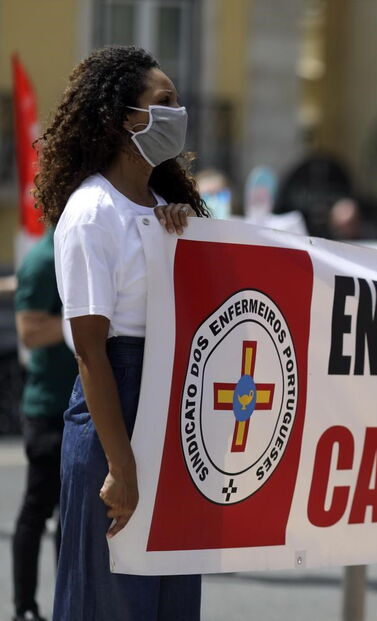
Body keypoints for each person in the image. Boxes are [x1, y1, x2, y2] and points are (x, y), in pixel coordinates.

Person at [32, 46, 209, 620]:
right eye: (164, 103)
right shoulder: (91, 213)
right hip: (119, 408)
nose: (177, 113)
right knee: (111, 603)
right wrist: (122, 467)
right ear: (121, 119)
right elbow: (90, 352)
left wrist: (181, 239)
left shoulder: (166, 208)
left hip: (172, 410)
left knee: (169, 600)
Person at [11, 230, 78, 621]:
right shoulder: (42, 259)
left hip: (77, 407)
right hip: (49, 409)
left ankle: (66, 605)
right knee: (37, 511)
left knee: (70, 516)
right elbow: (30, 331)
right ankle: (24, 607)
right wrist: (85, 317)